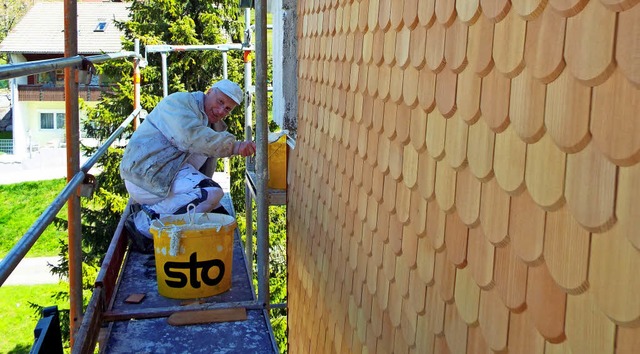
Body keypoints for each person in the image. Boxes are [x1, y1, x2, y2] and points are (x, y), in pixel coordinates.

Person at [120, 79, 256, 253]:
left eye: (227, 109)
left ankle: (157, 209)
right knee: (211, 192)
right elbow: (191, 137)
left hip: (165, 173)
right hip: (145, 177)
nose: (221, 110)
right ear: (209, 91)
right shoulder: (178, 103)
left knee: (218, 218)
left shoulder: (210, 123)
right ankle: (144, 223)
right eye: (220, 102)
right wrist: (235, 146)